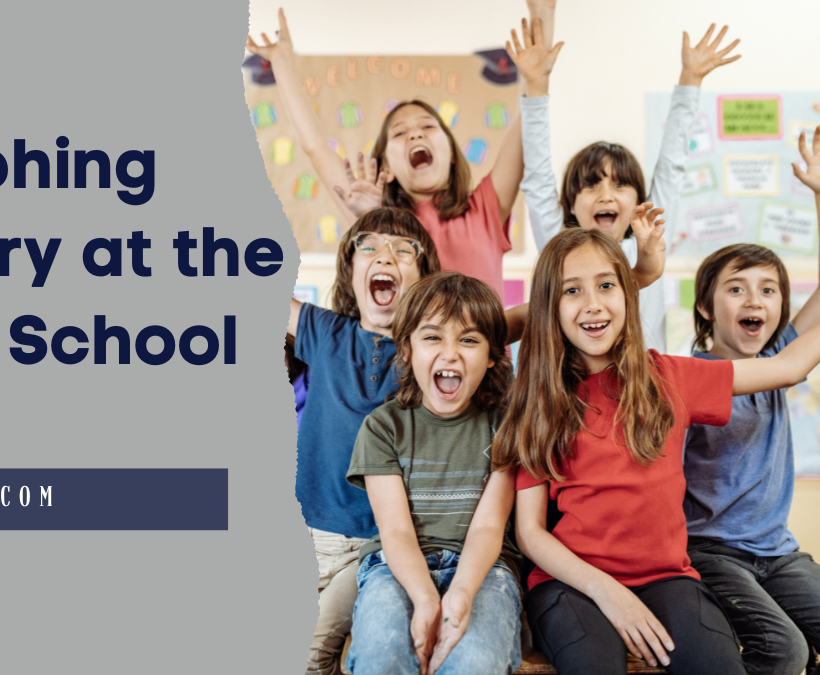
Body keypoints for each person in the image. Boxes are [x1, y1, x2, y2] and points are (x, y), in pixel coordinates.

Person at [494, 222, 820, 675]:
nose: (593, 304)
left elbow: (788, 367)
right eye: (572, 291)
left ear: (628, 295)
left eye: (607, 285)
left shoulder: (671, 377)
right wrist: (609, 592)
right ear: (549, 307)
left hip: (668, 580)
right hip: (570, 584)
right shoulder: (539, 400)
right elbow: (530, 533)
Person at [246, 9, 527, 301]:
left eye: (428, 126)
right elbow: (315, 147)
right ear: (387, 168)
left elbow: (523, 125)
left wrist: (541, 20)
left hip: (482, 348)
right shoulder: (375, 216)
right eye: (400, 133)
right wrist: (281, 62)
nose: (416, 134)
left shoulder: (485, 209)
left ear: (453, 155)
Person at [512, 8, 740, 351]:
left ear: (639, 202)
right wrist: (536, 85)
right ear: (570, 204)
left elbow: (672, 165)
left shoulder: (646, 246)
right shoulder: (559, 246)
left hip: (644, 393)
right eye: (591, 185)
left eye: (620, 185)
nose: (605, 195)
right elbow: (538, 175)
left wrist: (690, 80)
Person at [681, 128, 820, 675]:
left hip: (778, 551)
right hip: (713, 553)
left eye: (768, 289)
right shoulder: (691, 375)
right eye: (736, 288)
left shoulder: (778, 351)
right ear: (708, 310)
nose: (754, 298)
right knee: (784, 651)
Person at [287, 207, 441, 675]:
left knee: (310, 654)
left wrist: (635, 275)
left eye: (403, 250)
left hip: (374, 548)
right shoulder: (325, 332)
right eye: (368, 247)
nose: (384, 255)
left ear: (424, 279)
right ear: (351, 274)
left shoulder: (432, 350)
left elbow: (513, 320)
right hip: (305, 539)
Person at [345, 272, 522, 675]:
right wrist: (426, 598)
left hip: (484, 568)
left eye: (469, 340)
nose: (450, 354)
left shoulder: (505, 427)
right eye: (432, 337)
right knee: (380, 658)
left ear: (493, 355)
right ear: (406, 349)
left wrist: (459, 592)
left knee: (475, 662)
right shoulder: (383, 427)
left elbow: (487, 530)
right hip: (395, 566)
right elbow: (396, 532)